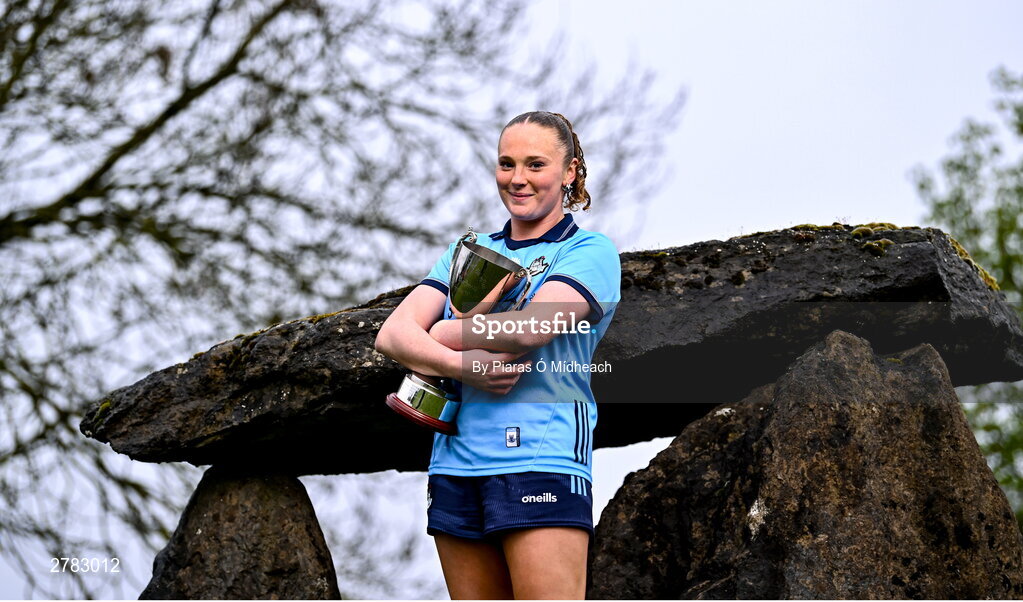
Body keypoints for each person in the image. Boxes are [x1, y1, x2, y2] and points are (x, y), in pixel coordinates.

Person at [375, 111, 621, 599]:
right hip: (456, 463)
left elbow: (530, 329)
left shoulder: (589, 251)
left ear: (569, 171)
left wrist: (442, 331)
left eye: (535, 164)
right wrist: (461, 366)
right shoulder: (468, 251)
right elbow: (392, 334)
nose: (518, 178)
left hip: (542, 457)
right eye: (507, 164)